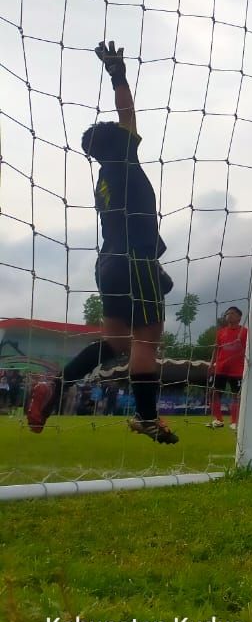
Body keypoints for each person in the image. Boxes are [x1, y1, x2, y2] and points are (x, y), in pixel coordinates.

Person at [25, 42, 176, 443]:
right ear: (116, 141)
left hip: (108, 263)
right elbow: (127, 113)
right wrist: (118, 73)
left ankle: (55, 385)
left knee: (114, 341)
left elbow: (124, 121)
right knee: (146, 340)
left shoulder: (104, 180)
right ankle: (146, 417)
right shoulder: (123, 158)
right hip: (134, 259)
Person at [207, 306, 248, 429]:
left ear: (239, 317)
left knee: (236, 395)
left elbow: (247, 349)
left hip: (237, 369)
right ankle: (218, 420)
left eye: (233, 313)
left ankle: (235, 422)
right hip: (221, 367)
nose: (229, 315)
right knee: (214, 392)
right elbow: (216, 348)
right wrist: (211, 363)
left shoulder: (245, 332)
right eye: (227, 313)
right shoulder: (221, 332)